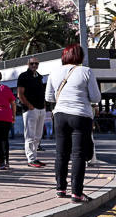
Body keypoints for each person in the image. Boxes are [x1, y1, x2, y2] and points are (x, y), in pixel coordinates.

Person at [45, 44, 101, 202]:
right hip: (80, 116)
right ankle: (76, 192)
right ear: (80, 56)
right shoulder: (86, 71)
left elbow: (49, 97)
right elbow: (96, 97)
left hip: (60, 115)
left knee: (61, 154)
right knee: (78, 155)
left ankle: (60, 188)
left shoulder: (54, 73)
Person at [17, 58, 47, 168]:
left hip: (41, 109)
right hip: (30, 110)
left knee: (38, 136)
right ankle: (31, 159)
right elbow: (20, 94)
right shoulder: (23, 76)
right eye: (32, 63)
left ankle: (35, 157)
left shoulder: (39, 77)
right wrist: (29, 106)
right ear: (28, 64)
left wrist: (43, 105)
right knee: (30, 135)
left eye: (36, 63)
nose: (34, 65)